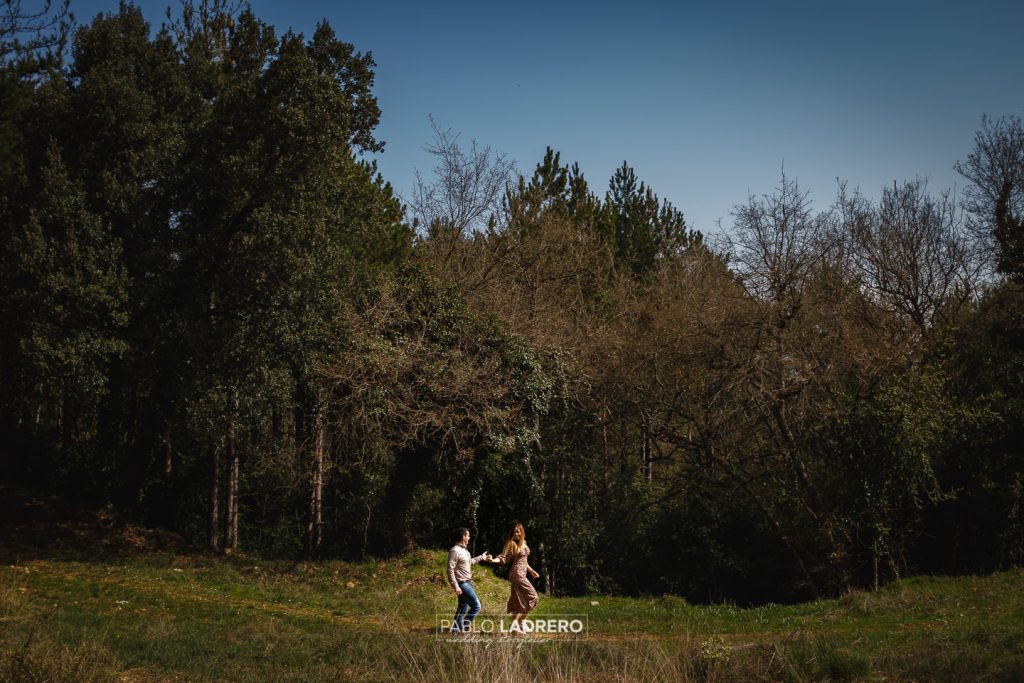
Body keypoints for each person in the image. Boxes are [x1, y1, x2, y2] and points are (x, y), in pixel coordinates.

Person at [491, 523, 539, 631]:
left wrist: (531, 571)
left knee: (518, 600)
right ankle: (521, 621)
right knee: (533, 597)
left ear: (522, 532)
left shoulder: (524, 543)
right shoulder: (511, 543)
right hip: (517, 574)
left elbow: (523, 560)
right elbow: (503, 558)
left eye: (518, 531)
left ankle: (515, 626)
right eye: (514, 532)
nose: (516, 534)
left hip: (521, 573)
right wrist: (493, 560)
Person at [446, 527, 491, 633]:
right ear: (463, 537)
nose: (469, 538)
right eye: (468, 536)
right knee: (476, 606)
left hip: (468, 583)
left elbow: (469, 562)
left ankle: (455, 631)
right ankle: (464, 627)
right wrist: (455, 586)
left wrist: (481, 557)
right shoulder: (455, 551)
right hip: (462, 584)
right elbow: (449, 570)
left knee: (462, 609)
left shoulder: (464, 550)